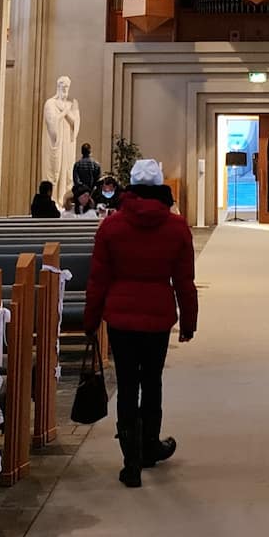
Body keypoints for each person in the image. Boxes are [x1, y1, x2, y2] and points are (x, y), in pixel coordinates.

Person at [84, 157, 197, 489]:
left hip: (120, 316)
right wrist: (189, 321)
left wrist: (90, 321)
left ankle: (130, 461)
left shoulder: (112, 226)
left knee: (127, 385)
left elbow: (98, 280)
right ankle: (149, 447)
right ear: (160, 186)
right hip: (157, 316)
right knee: (152, 382)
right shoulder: (176, 227)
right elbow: (185, 281)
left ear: (130, 187)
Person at [73, 142, 101, 213]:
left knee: (79, 213)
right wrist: (90, 192)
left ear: (82, 152)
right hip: (92, 194)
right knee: (91, 213)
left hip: (80, 195)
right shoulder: (96, 164)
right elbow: (98, 181)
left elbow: (76, 180)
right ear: (90, 151)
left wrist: (83, 192)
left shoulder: (77, 164)